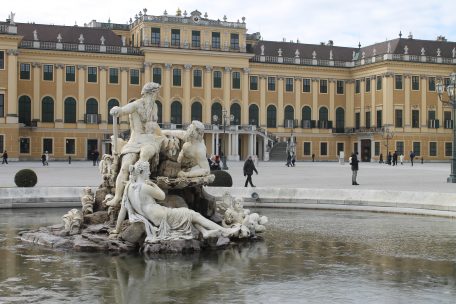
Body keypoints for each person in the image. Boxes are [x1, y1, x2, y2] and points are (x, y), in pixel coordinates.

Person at [110, 160, 239, 242]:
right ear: (142, 172)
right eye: (148, 172)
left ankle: (205, 232)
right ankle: (225, 231)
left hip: (155, 216)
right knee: (193, 214)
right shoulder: (145, 187)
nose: (149, 174)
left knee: (188, 214)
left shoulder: (128, 187)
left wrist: (117, 230)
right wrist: (154, 185)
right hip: (161, 216)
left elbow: (122, 211)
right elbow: (162, 196)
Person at [107, 82, 168, 207]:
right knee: (125, 167)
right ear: (148, 93)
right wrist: (117, 110)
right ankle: (118, 197)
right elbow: (124, 110)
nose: (157, 96)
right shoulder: (136, 105)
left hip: (150, 140)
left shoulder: (154, 106)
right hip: (135, 141)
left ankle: (139, 189)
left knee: (145, 155)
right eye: (155, 93)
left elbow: (154, 125)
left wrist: (162, 135)